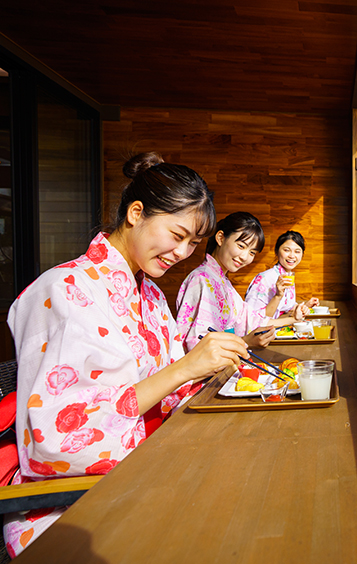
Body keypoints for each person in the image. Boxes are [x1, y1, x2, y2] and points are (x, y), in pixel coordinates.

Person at [3, 152, 250, 557]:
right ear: (136, 213)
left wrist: (211, 374)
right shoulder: (62, 289)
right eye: (177, 234)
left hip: (150, 469)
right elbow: (57, 439)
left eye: (193, 242)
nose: (183, 252)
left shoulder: (149, 293)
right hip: (76, 500)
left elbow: (170, 393)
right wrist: (185, 368)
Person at [175, 213, 307, 352]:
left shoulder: (224, 283)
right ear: (220, 238)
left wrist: (295, 319)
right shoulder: (201, 279)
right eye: (241, 246)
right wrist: (245, 342)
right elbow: (199, 345)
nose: (244, 257)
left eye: (252, 253)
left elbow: (253, 320)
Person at [244, 230, 319, 318]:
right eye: (287, 250)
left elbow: (285, 308)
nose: (292, 255)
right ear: (276, 251)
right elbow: (251, 318)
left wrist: (305, 306)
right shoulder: (264, 278)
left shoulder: (289, 276)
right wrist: (277, 296)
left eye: (297, 251)